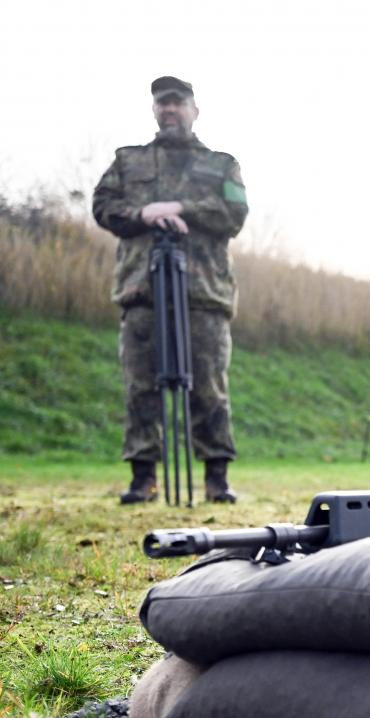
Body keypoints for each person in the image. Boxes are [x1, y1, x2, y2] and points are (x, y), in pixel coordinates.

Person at [93, 76, 249, 504]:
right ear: (154, 111)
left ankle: (217, 478)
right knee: (140, 385)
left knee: (210, 386)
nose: (170, 110)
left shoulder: (221, 164)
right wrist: (144, 212)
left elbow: (234, 213)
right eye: (163, 103)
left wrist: (181, 208)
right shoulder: (129, 161)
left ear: (194, 109)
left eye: (178, 103)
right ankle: (143, 478)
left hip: (204, 293)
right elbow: (103, 206)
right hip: (142, 289)